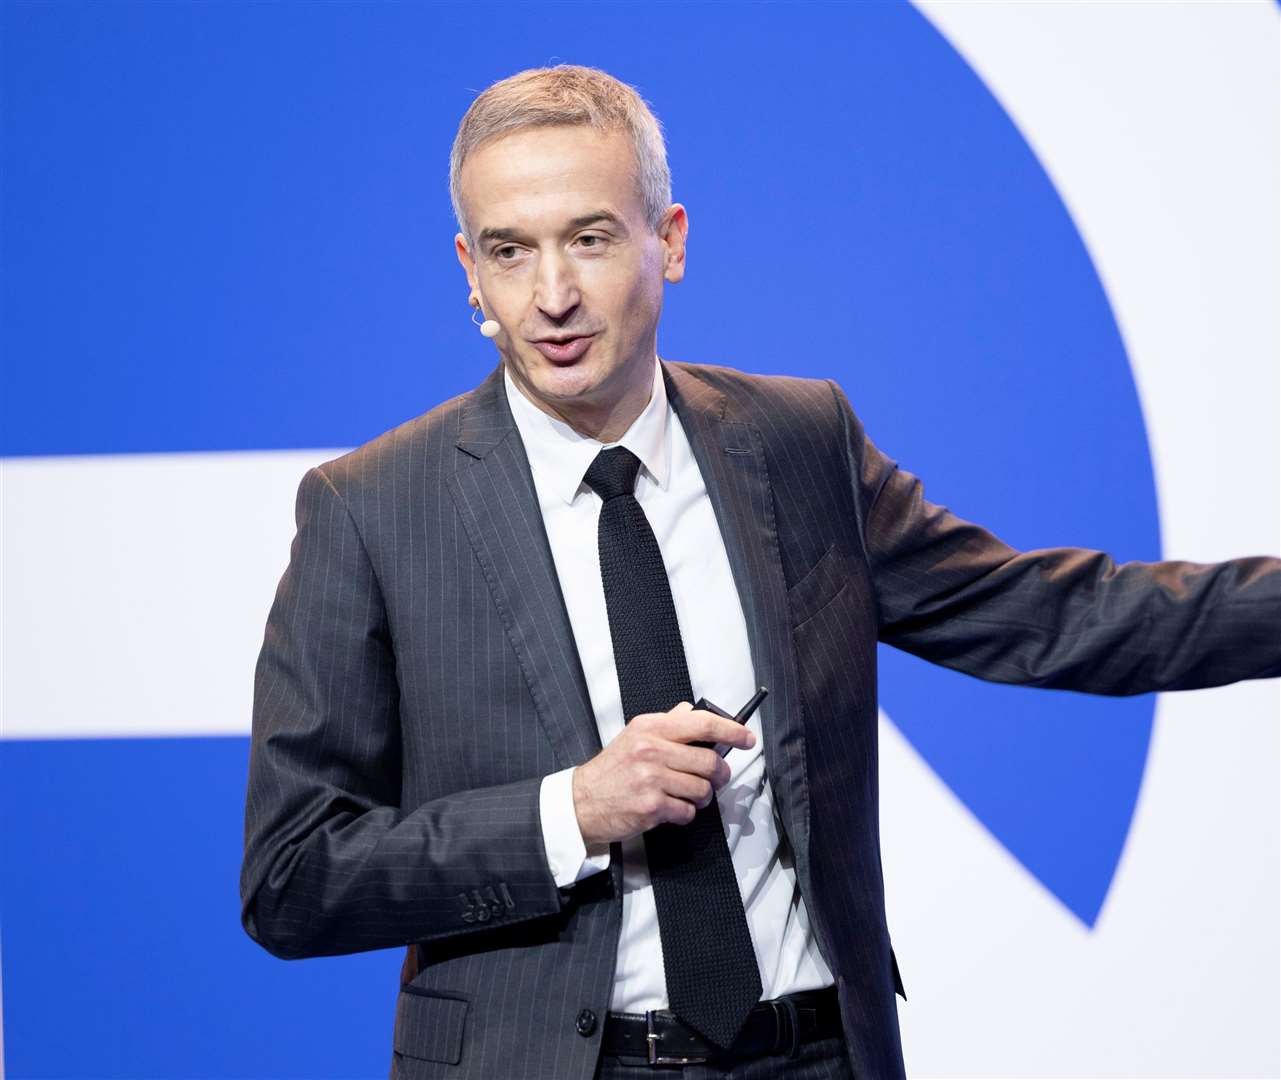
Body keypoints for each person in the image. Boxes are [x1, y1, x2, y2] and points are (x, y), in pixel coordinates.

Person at [239, 65, 1280, 1080]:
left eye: (590, 239)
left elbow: (1052, 618)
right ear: (469, 268)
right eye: (511, 251)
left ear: (671, 242)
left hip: (814, 1051)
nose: (552, 295)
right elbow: (292, 878)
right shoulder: (372, 508)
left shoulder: (796, 441)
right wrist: (573, 811)